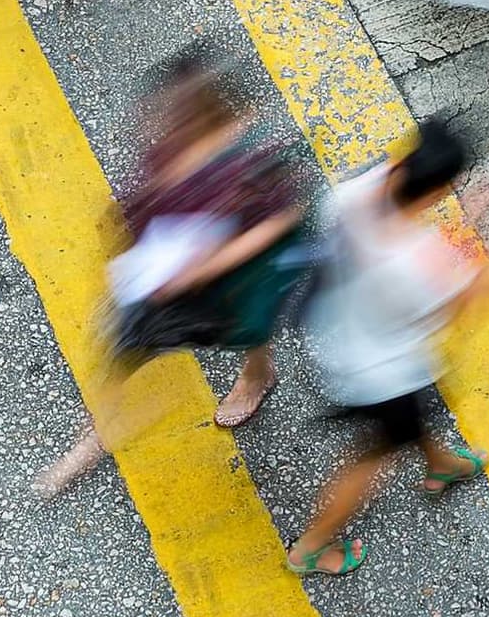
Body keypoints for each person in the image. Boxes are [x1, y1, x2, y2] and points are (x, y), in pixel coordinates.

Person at [40, 45, 316, 496]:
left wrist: (204, 269)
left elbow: (284, 218)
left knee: (248, 329)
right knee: (124, 343)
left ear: (205, 111)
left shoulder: (250, 158)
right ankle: (100, 432)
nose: (157, 121)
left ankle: (257, 376)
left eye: (174, 113)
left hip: (225, 281)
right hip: (163, 274)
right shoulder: (171, 144)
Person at [280, 119, 489, 577]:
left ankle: (441, 464)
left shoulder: (350, 195)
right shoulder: (420, 258)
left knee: (414, 414)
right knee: (372, 456)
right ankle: (311, 549)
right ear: (437, 194)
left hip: (338, 336)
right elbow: (455, 313)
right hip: (382, 373)